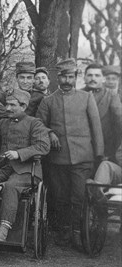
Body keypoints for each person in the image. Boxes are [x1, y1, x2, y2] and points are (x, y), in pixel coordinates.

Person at [36, 58, 104, 248]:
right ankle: (65, 231)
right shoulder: (48, 101)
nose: (66, 80)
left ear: (75, 77)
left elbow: (96, 127)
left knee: (79, 196)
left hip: (83, 157)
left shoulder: (86, 98)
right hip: (58, 158)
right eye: (63, 76)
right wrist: (50, 133)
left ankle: (77, 232)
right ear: (58, 77)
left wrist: (99, 155)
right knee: (60, 197)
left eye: (70, 76)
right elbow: (38, 124)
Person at [0, 89, 50, 241]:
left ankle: (3, 231)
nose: (7, 108)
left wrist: (19, 154)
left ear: (24, 107)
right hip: (5, 169)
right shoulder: (3, 123)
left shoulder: (35, 123)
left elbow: (43, 146)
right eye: (7, 104)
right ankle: (0, 189)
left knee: (11, 185)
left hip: (28, 171)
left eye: (12, 105)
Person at [82, 64, 122, 162]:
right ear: (84, 77)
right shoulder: (77, 95)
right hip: (81, 151)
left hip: (105, 151)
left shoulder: (111, 96)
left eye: (97, 75)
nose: (93, 78)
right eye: (90, 75)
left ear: (103, 79)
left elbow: (119, 120)